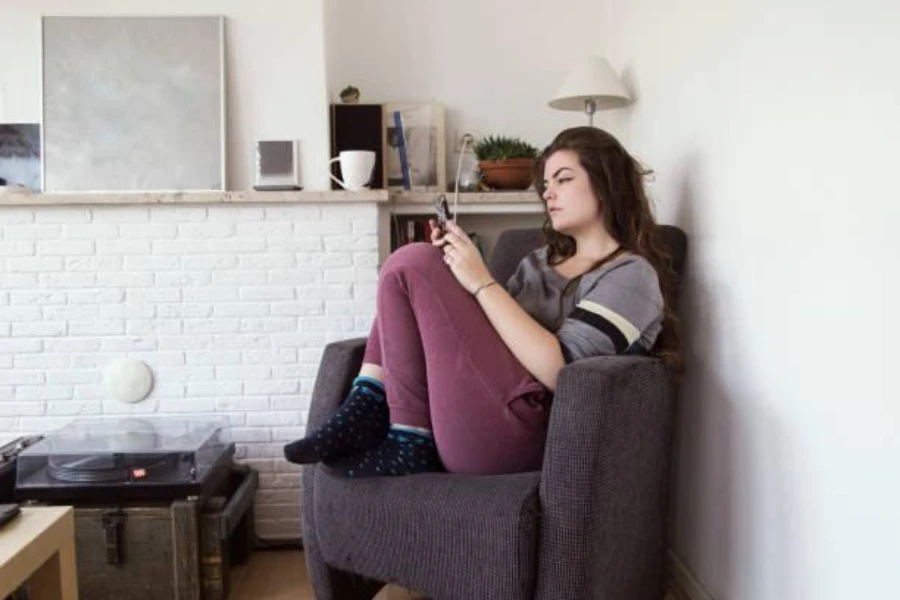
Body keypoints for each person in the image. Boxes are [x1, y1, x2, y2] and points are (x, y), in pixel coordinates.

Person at [284, 126, 681, 477]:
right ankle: (373, 403)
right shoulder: (539, 263)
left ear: (606, 184)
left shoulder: (631, 276)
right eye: (545, 183)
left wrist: (481, 284)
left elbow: (564, 371)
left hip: (523, 436)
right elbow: (483, 342)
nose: (549, 192)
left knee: (414, 262)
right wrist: (453, 276)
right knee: (414, 265)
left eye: (563, 179)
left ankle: (390, 423)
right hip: (479, 410)